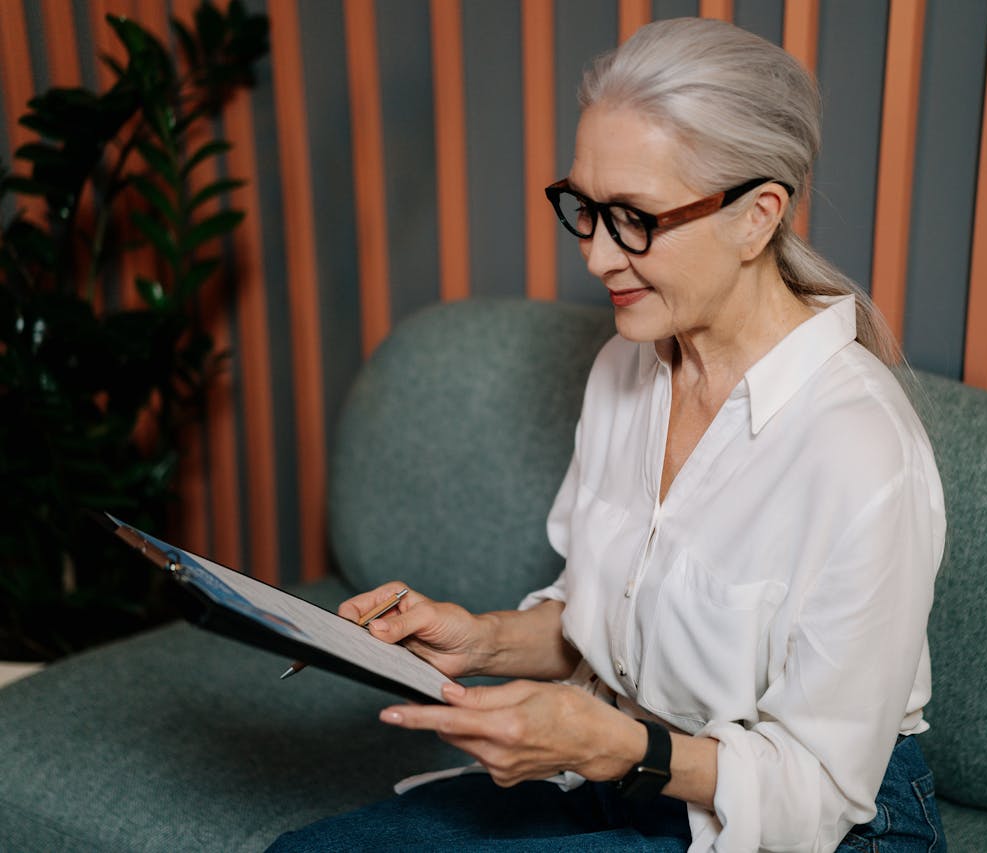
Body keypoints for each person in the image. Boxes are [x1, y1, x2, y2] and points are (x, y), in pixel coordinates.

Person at [269, 16, 945, 853]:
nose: (596, 257)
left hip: (820, 827)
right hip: (627, 773)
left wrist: (618, 746)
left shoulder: (863, 450)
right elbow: (605, 622)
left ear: (756, 216)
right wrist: (478, 638)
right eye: (584, 209)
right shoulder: (628, 369)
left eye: (634, 218)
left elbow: (816, 794)